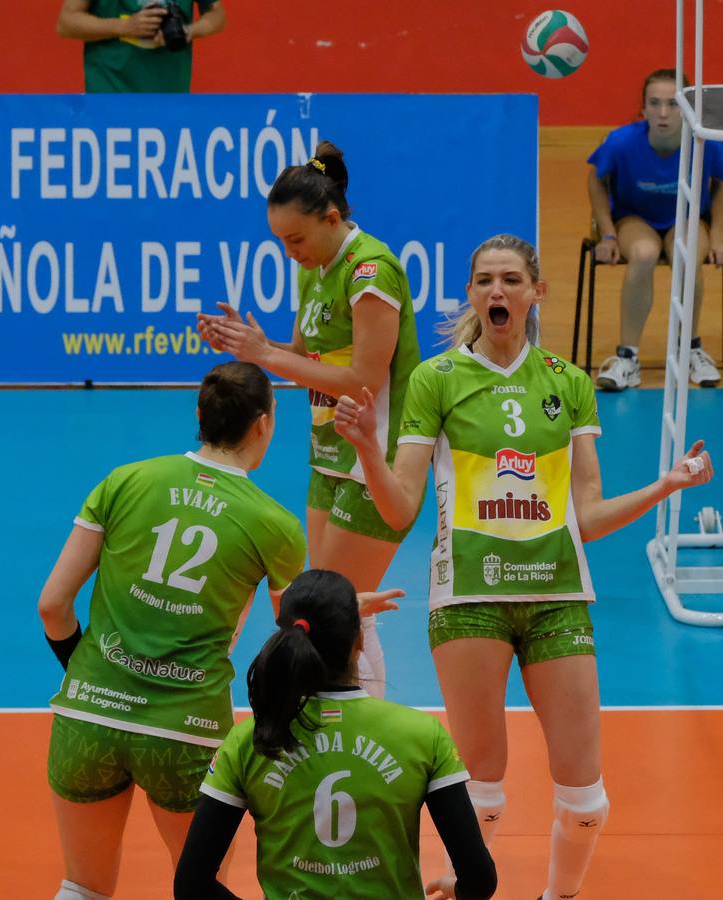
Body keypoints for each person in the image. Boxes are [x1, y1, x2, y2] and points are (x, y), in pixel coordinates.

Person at [333, 234, 714, 900]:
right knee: (480, 794)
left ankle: (556, 896)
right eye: (484, 281)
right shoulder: (437, 379)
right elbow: (398, 510)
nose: (497, 291)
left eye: (511, 279)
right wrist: (368, 447)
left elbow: (586, 517)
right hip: (468, 598)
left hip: (558, 594)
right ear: (472, 295)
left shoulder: (566, 383)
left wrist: (664, 487)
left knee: (588, 801)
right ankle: (461, 884)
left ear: (536, 291)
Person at [39, 362, 307, 900]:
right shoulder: (276, 526)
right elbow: (292, 645)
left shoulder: (125, 481)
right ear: (263, 424)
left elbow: (52, 605)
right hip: (186, 729)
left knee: (81, 887)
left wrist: (89, 672)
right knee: (199, 887)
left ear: (200, 417)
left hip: (89, 713)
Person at [197, 140, 421, 699]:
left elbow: (366, 379)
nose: (289, 251)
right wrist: (250, 345)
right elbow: (305, 363)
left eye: (296, 238)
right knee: (329, 607)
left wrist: (265, 356)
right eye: (280, 241)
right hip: (328, 451)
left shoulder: (371, 271)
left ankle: (362, 727)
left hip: (376, 457)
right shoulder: (314, 271)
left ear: (332, 217)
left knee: (337, 611)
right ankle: (339, 727)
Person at [174, 569, 498, 900]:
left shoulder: (250, 740)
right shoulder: (422, 735)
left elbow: (191, 885)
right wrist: (455, 888)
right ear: (359, 641)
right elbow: (479, 881)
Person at [588, 67, 723, 391]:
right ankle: (627, 359)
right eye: (655, 103)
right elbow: (595, 179)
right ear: (644, 107)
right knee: (645, 253)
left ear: (688, 106)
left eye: (673, 103)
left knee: (687, 253)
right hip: (635, 219)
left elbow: (720, 184)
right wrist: (606, 233)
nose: (663, 113)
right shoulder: (621, 142)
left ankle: (691, 349)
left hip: (689, 218)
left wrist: (718, 233)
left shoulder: (705, 142)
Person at [56, 0, 226, 93]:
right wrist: (126, 26)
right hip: (111, 95)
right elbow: (66, 22)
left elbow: (217, 15)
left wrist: (189, 31)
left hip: (170, 95)